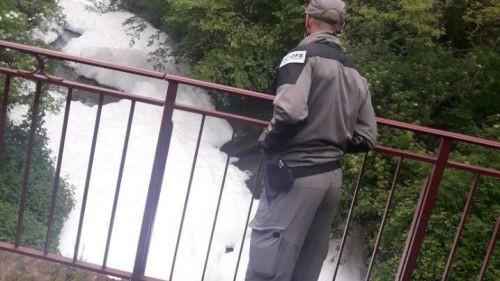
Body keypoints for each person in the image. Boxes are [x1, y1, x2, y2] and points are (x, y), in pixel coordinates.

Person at [245, 0, 377, 280]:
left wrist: (268, 141)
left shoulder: (301, 57)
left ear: (308, 20)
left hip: (297, 177)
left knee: (267, 265)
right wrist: (331, 142)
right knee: (305, 266)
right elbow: (366, 137)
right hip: (331, 179)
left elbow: (290, 111)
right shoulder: (356, 74)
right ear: (341, 27)